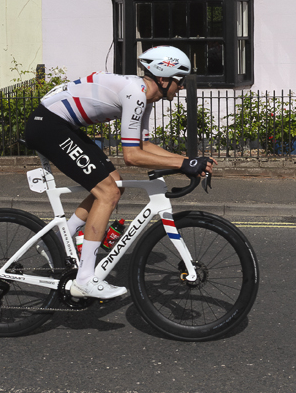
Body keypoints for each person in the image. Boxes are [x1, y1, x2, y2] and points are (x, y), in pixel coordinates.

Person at [24, 46, 214, 300]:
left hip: (61, 125)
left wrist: (188, 161)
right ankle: (85, 279)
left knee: (116, 184)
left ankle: (58, 241)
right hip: (49, 126)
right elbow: (132, 156)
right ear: (163, 78)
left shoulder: (144, 96)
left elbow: (143, 145)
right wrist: (185, 165)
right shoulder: (135, 94)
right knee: (107, 193)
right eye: (179, 82)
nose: (181, 88)